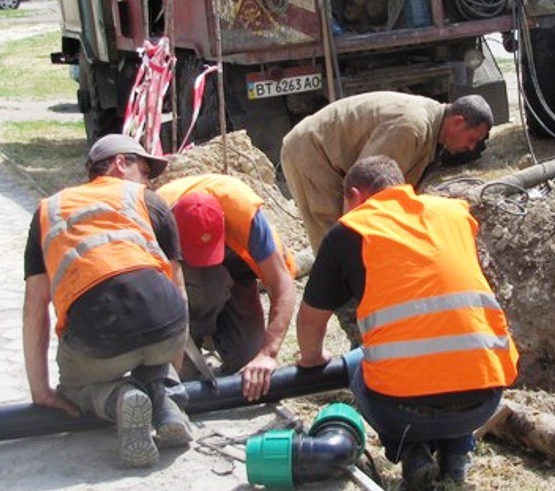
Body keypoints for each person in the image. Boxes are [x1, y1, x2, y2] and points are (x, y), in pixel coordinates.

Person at [297, 155, 518, 489]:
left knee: (360, 361)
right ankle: (456, 456)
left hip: (401, 412)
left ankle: (411, 450)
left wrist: (312, 360)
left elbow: (311, 320)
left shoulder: (350, 230)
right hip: (484, 400)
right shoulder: (454, 214)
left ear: (355, 196)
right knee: (454, 365)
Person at [22, 133, 192, 468]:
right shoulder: (151, 202)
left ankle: (118, 399)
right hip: (166, 323)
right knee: (154, 351)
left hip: (97, 340)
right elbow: (179, 292)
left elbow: (34, 308)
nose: (148, 181)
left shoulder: (47, 212)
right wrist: (172, 373)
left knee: (73, 385)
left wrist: (41, 390)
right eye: (144, 171)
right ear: (119, 163)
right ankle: (166, 403)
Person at [280, 91, 493, 252]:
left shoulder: (430, 129)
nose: (472, 148)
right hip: (310, 153)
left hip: (334, 158)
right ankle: (346, 305)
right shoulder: (410, 129)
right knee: (336, 237)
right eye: (472, 139)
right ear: (457, 122)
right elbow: (364, 186)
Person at [156, 174, 298, 402]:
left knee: (248, 358)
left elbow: (283, 284)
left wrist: (266, 354)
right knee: (208, 285)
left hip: (236, 268)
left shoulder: (246, 216)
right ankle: (197, 334)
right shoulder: (157, 218)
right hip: (184, 276)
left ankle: (220, 328)